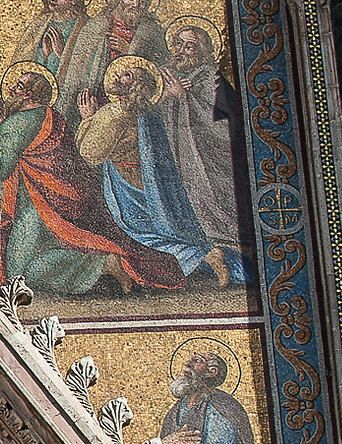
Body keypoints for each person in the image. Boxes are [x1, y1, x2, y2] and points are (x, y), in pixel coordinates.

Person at [0, 66, 174, 296]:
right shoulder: (51, 116)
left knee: (17, 274)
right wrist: (1, 128)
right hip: (68, 200)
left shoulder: (15, 125)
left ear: (30, 96)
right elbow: (27, 148)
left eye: (20, 86)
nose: (12, 89)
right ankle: (101, 264)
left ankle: (102, 265)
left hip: (41, 207)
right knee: (29, 260)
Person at [75, 56, 239, 284]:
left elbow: (90, 153)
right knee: (155, 232)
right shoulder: (149, 109)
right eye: (121, 73)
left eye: (126, 75)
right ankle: (205, 257)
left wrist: (88, 118)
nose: (119, 77)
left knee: (140, 234)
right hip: (154, 186)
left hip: (128, 188)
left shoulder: (117, 111)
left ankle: (206, 256)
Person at [157, 20, 246, 254]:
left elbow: (228, 127)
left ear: (203, 51)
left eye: (189, 46)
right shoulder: (165, 77)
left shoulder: (213, 80)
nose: (180, 51)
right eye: (178, 44)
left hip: (211, 166)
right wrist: (167, 96)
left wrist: (183, 98)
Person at [61, 0, 169, 123]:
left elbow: (161, 67)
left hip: (133, 101)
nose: (136, 4)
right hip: (95, 97)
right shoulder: (95, 26)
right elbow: (77, 68)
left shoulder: (151, 32)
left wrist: (129, 51)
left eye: (142, 1)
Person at [13, 0, 90, 93]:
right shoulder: (38, 25)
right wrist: (43, 54)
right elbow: (21, 62)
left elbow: (89, 70)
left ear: (74, 0)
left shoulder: (86, 28)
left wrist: (61, 54)